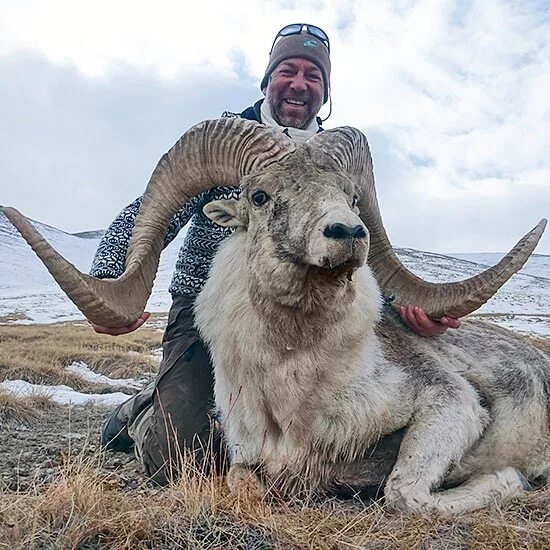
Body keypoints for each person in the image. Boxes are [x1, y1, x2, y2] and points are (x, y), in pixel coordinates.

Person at [90, 23, 460, 484]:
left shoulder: (337, 158)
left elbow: (368, 242)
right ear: (267, 81)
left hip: (315, 319)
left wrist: (410, 304)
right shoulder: (229, 143)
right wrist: (110, 282)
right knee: (184, 462)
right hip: (216, 316)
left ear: (325, 93)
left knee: (335, 451)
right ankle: (148, 405)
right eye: (288, 70)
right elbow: (149, 211)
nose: (300, 84)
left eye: (314, 76)